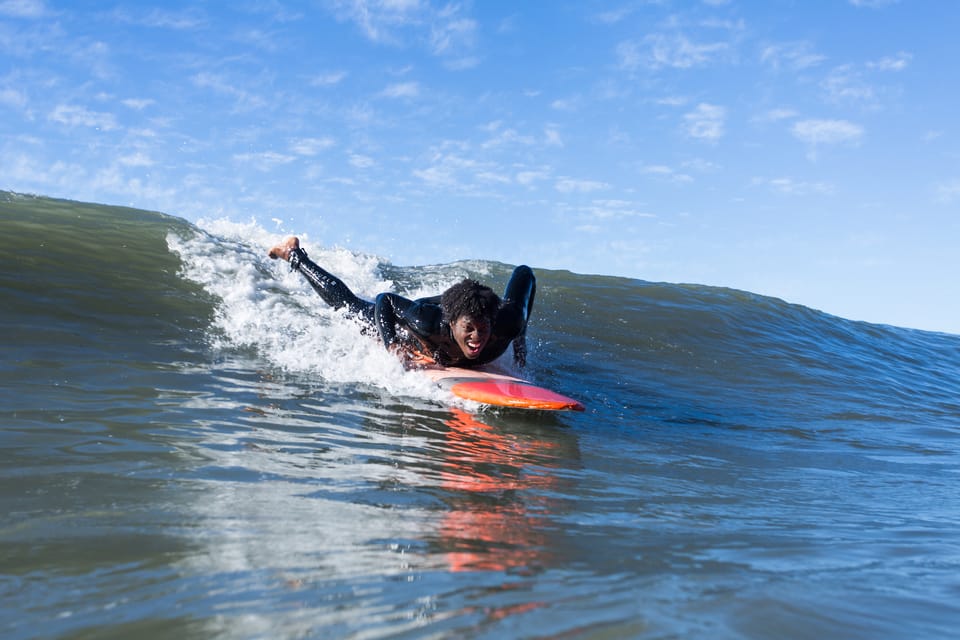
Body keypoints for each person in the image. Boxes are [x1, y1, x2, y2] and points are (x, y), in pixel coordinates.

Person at [267, 237, 535, 370]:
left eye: (483, 327)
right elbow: (385, 300)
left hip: (462, 312)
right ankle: (293, 254)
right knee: (349, 307)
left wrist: (520, 338)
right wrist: (392, 343)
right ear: (452, 324)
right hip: (406, 325)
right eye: (469, 329)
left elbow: (525, 273)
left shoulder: (508, 322)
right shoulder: (426, 320)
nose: (478, 337)